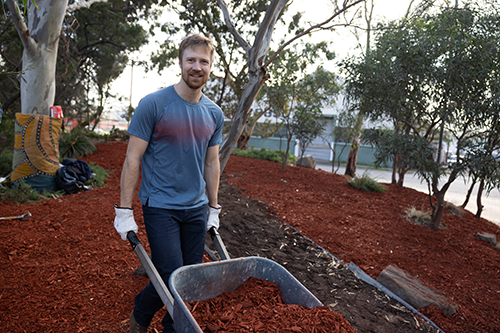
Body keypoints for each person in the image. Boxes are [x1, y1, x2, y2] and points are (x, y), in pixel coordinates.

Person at [113, 34, 224, 333]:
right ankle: (141, 310)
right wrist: (124, 210)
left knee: (189, 278)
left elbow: (211, 163)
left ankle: (172, 328)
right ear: (180, 62)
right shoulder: (154, 104)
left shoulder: (214, 113)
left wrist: (214, 208)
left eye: (204, 61)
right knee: (169, 271)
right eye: (191, 60)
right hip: (160, 205)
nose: (197, 67)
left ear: (211, 66)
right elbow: (132, 159)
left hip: (197, 207)